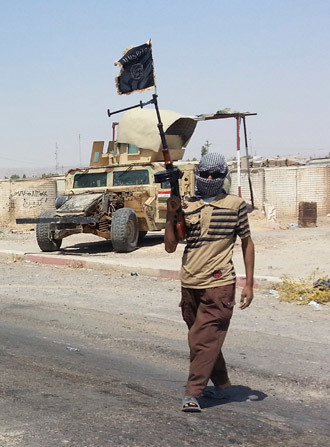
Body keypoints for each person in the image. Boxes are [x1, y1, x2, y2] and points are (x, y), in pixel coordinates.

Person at [164, 153, 255, 412]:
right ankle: (223, 384)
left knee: (202, 340)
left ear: (224, 176)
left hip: (220, 282)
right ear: (198, 175)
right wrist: (171, 215)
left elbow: (247, 243)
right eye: (207, 174)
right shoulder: (186, 205)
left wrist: (248, 283)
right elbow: (171, 246)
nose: (211, 179)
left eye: (216, 175)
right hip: (190, 282)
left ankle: (193, 393)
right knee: (202, 336)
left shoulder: (236, 205)